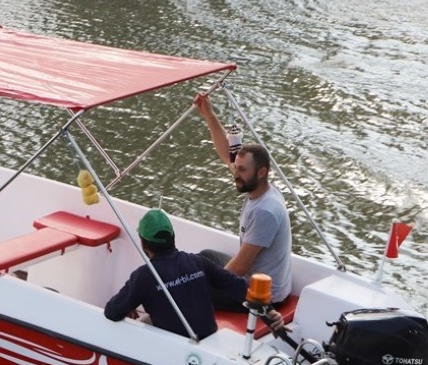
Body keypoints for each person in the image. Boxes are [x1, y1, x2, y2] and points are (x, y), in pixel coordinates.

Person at [105, 209, 283, 340]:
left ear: (144, 244)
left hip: (174, 349)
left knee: (139, 323)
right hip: (210, 339)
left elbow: (112, 312)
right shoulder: (198, 262)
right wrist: (270, 312)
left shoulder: (143, 277)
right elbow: (240, 287)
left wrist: (130, 302)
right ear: (173, 237)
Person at [193, 92, 293, 308]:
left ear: (261, 172)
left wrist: (197, 285)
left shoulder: (265, 210)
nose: (235, 174)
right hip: (251, 278)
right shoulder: (259, 187)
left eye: (241, 170)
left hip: (262, 296)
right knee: (204, 258)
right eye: (236, 168)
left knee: (190, 290)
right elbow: (224, 153)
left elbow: (238, 268)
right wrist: (209, 115)